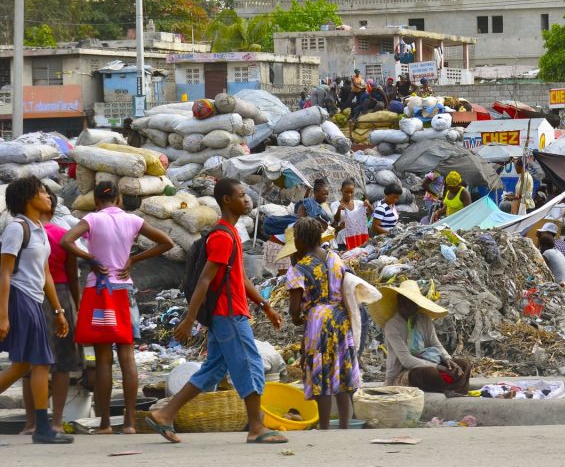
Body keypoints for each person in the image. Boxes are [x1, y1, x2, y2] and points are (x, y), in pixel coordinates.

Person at [147, 179, 288, 444]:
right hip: (228, 313)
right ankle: (256, 427)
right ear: (226, 200)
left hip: (227, 313)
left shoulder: (232, 233)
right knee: (250, 364)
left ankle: (165, 414)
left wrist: (265, 305)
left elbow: (240, 277)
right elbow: (204, 280)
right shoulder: (223, 236)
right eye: (242, 195)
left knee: (212, 370)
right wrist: (189, 319)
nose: (247, 200)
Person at [61, 182, 173, 434]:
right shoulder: (132, 220)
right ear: (119, 199)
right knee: (127, 355)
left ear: (97, 201)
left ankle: (105, 424)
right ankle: (131, 423)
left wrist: (90, 259)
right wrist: (133, 258)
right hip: (124, 291)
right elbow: (166, 242)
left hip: (99, 291)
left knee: (103, 359)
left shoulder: (92, 219)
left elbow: (67, 241)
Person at [0, 177, 74, 444]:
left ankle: (43, 428)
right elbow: (4, 273)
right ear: (28, 198)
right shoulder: (17, 229)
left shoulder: (40, 229)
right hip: (19, 299)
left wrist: (58, 311)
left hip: (34, 300)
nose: (48, 196)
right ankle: (43, 429)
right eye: (42, 192)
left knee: (22, 366)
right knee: (40, 362)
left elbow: (46, 275)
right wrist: (3, 316)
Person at [283, 218, 363, 430]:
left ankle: (325, 426)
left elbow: (293, 309)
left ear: (300, 241)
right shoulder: (335, 258)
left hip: (317, 321)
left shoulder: (298, 268)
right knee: (342, 370)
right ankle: (345, 425)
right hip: (340, 317)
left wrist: (298, 318)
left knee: (322, 373)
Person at [20, 188, 80, 435]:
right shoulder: (62, 236)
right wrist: (75, 305)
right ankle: (56, 422)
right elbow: (72, 274)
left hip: (27, 297)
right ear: (53, 211)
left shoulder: (23, 233)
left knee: (28, 362)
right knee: (62, 363)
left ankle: (31, 423)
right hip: (61, 296)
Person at [371, 280, 472, 396]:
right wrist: (438, 367)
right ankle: (452, 388)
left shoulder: (423, 319)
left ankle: (453, 389)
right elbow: (406, 360)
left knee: (464, 365)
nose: (407, 306)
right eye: (404, 302)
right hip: (405, 372)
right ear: (399, 303)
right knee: (428, 373)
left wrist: (447, 360)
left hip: (432, 362)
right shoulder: (392, 326)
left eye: (411, 303)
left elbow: (435, 344)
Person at [335, 179, 370, 251]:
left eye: (351, 192)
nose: (349, 195)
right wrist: (339, 210)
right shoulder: (335, 204)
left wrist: (368, 204)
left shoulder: (359, 203)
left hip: (358, 238)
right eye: (346, 192)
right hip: (343, 240)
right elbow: (336, 220)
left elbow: (372, 213)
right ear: (341, 190)